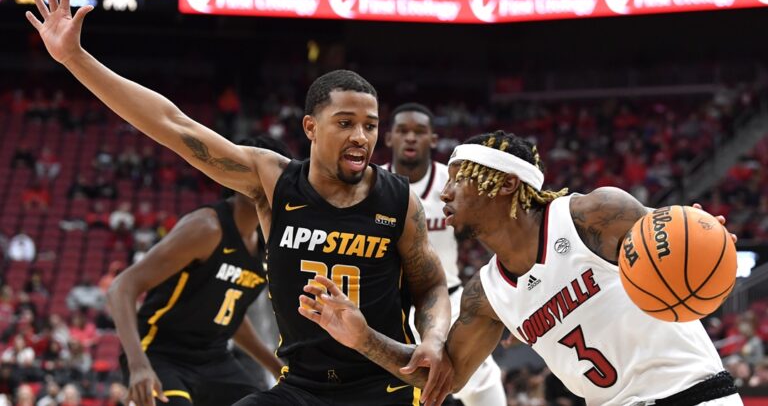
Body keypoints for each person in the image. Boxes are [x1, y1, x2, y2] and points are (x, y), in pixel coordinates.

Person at [27, 0, 450, 406]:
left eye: (370, 125)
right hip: (302, 389)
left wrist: (432, 337)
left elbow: (431, 285)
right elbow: (175, 125)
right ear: (310, 127)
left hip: (385, 387)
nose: (361, 136)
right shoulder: (274, 182)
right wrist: (75, 59)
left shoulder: (398, 199)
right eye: (345, 123)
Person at [299, 131, 743, 405]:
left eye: (460, 179)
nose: (446, 193)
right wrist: (364, 339)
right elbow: (439, 382)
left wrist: (707, 241)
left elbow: (681, 236)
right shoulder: (487, 295)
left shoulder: (592, 215)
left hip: (694, 394)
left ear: (508, 183)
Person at [108, 137, 287, 406]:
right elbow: (121, 287)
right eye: (256, 169)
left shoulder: (268, 244)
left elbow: (231, 315)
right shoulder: (207, 229)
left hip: (213, 358)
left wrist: (276, 366)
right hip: (160, 352)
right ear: (232, 176)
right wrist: (138, 365)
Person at [384, 103, 506, 406]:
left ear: (433, 140)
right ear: (389, 139)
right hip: (391, 302)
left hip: (445, 296)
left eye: (419, 131)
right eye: (403, 131)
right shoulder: (374, 185)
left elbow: (488, 233)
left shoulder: (452, 184)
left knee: (482, 377)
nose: (411, 138)